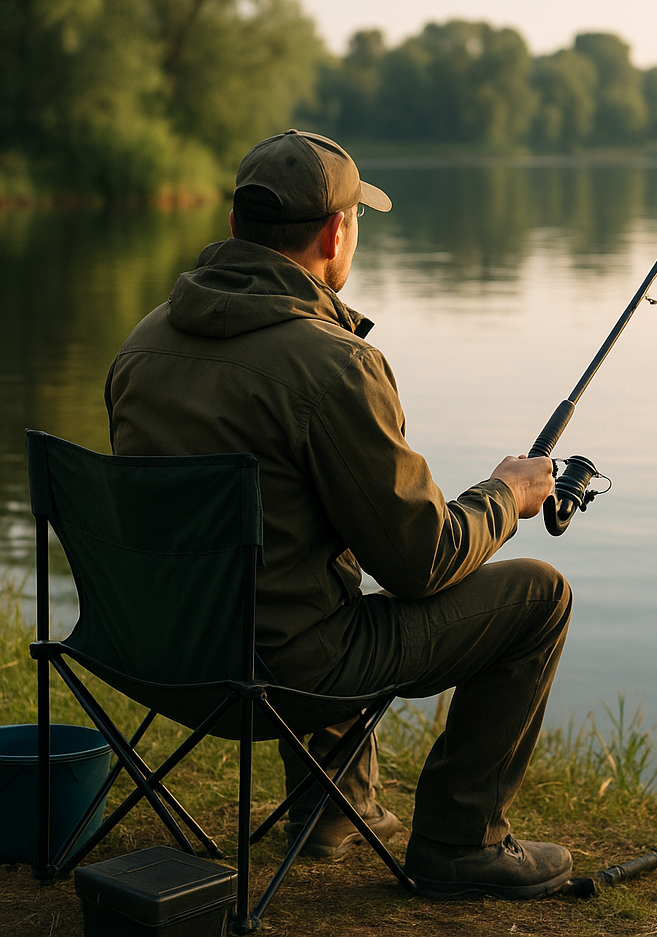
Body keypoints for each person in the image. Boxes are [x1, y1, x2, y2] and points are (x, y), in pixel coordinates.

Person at [104, 129, 573, 900]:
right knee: (538, 595)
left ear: (236, 228)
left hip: (152, 652)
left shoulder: (143, 340)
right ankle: (462, 842)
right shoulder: (333, 363)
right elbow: (420, 560)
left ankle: (334, 810)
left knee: (300, 568)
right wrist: (507, 496)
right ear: (335, 231)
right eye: (356, 217)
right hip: (278, 677)